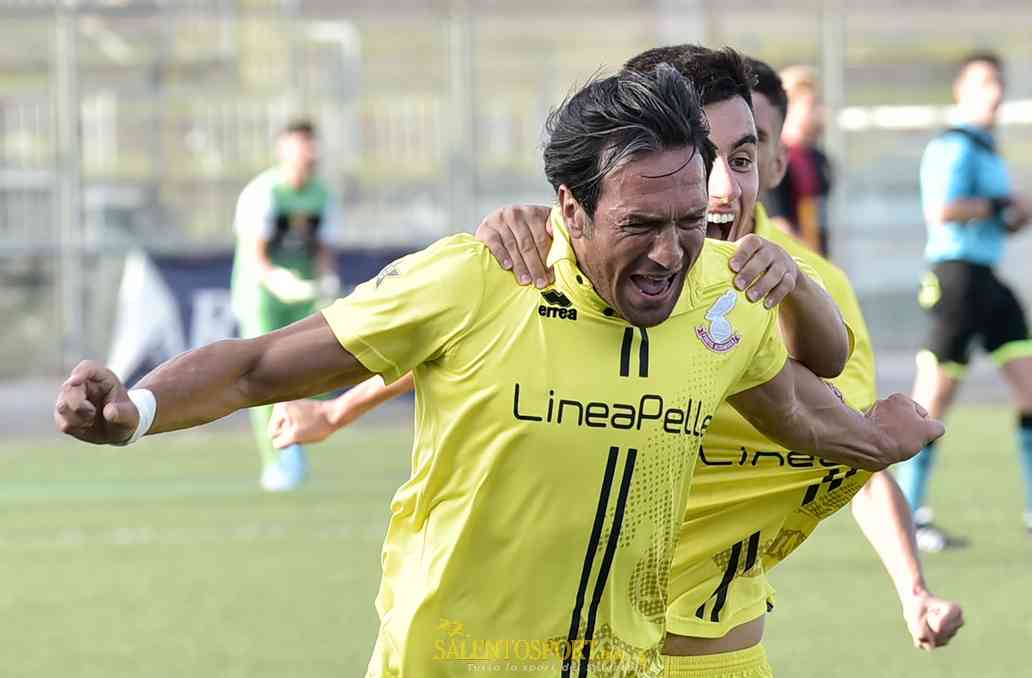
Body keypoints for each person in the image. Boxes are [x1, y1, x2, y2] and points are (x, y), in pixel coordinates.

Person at [55, 64, 943, 678]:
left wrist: (878, 438)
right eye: (641, 224)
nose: (672, 252)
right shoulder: (477, 277)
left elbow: (797, 411)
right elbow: (256, 368)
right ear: (570, 207)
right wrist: (132, 408)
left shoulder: (720, 302)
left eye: (685, 219)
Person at [896, 51, 1032, 551]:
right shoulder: (952, 147)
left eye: (997, 82)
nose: (993, 92)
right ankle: (909, 511)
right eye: (982, 83)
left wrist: (1017, 215)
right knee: (933, 397)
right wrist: (1001, 205)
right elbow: (943, 211)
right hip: (956, 280)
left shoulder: (988, 149)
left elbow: (993, 217)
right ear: (960, 90)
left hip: (989, 281)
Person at [230, 118, 341, 492]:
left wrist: (325, 281)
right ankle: (279, 459)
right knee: (264, 378)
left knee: (315, 369)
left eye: (311, 145)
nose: (307, 154)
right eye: (298, 145)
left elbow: (323, 250)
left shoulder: (322, 195)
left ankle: (300, 430)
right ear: (282, 151)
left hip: (302, 294)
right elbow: (256, 257)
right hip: (263, 296)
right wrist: (279, 280)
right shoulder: (263, 193)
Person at [761, 65, 833, 257]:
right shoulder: (774, 160)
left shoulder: (818, 159)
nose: (820, 113)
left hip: (816, 254)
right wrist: (808, 259)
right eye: (812, 106)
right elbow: (777, 223)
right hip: (788, 258)